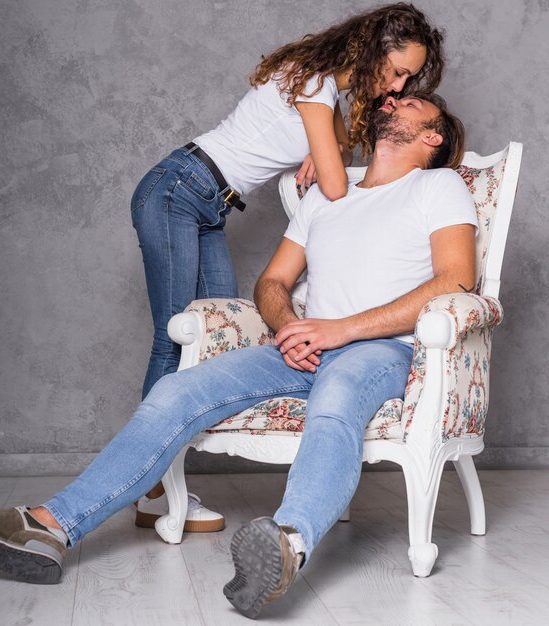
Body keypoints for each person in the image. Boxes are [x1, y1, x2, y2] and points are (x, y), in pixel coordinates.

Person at [0, 93, 476, 619]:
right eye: (392, 99)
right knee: (177, 389)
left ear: (433, 136)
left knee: (335, 402)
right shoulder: (328, 194)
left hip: (379, 349)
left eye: (411, 103)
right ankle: (48, 527)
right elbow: (273, 281)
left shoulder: (438, 185)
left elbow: (457, 280)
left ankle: (287, 543)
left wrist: (339, 330)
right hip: (300, 348)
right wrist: (291, 326)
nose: (392, 101)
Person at [132, 1, 445, 530]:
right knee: (175, 338)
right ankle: (153, 491)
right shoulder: (315, 87)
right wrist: (325, 153)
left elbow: (334, 155)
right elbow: (337, 184)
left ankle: (162, 486)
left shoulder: (320, 92)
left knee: (215, 340)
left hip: (209, 205)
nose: (396, 87)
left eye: (408, 78)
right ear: (370, 51)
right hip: (178, 190)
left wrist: (321, 146)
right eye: (395, 71)